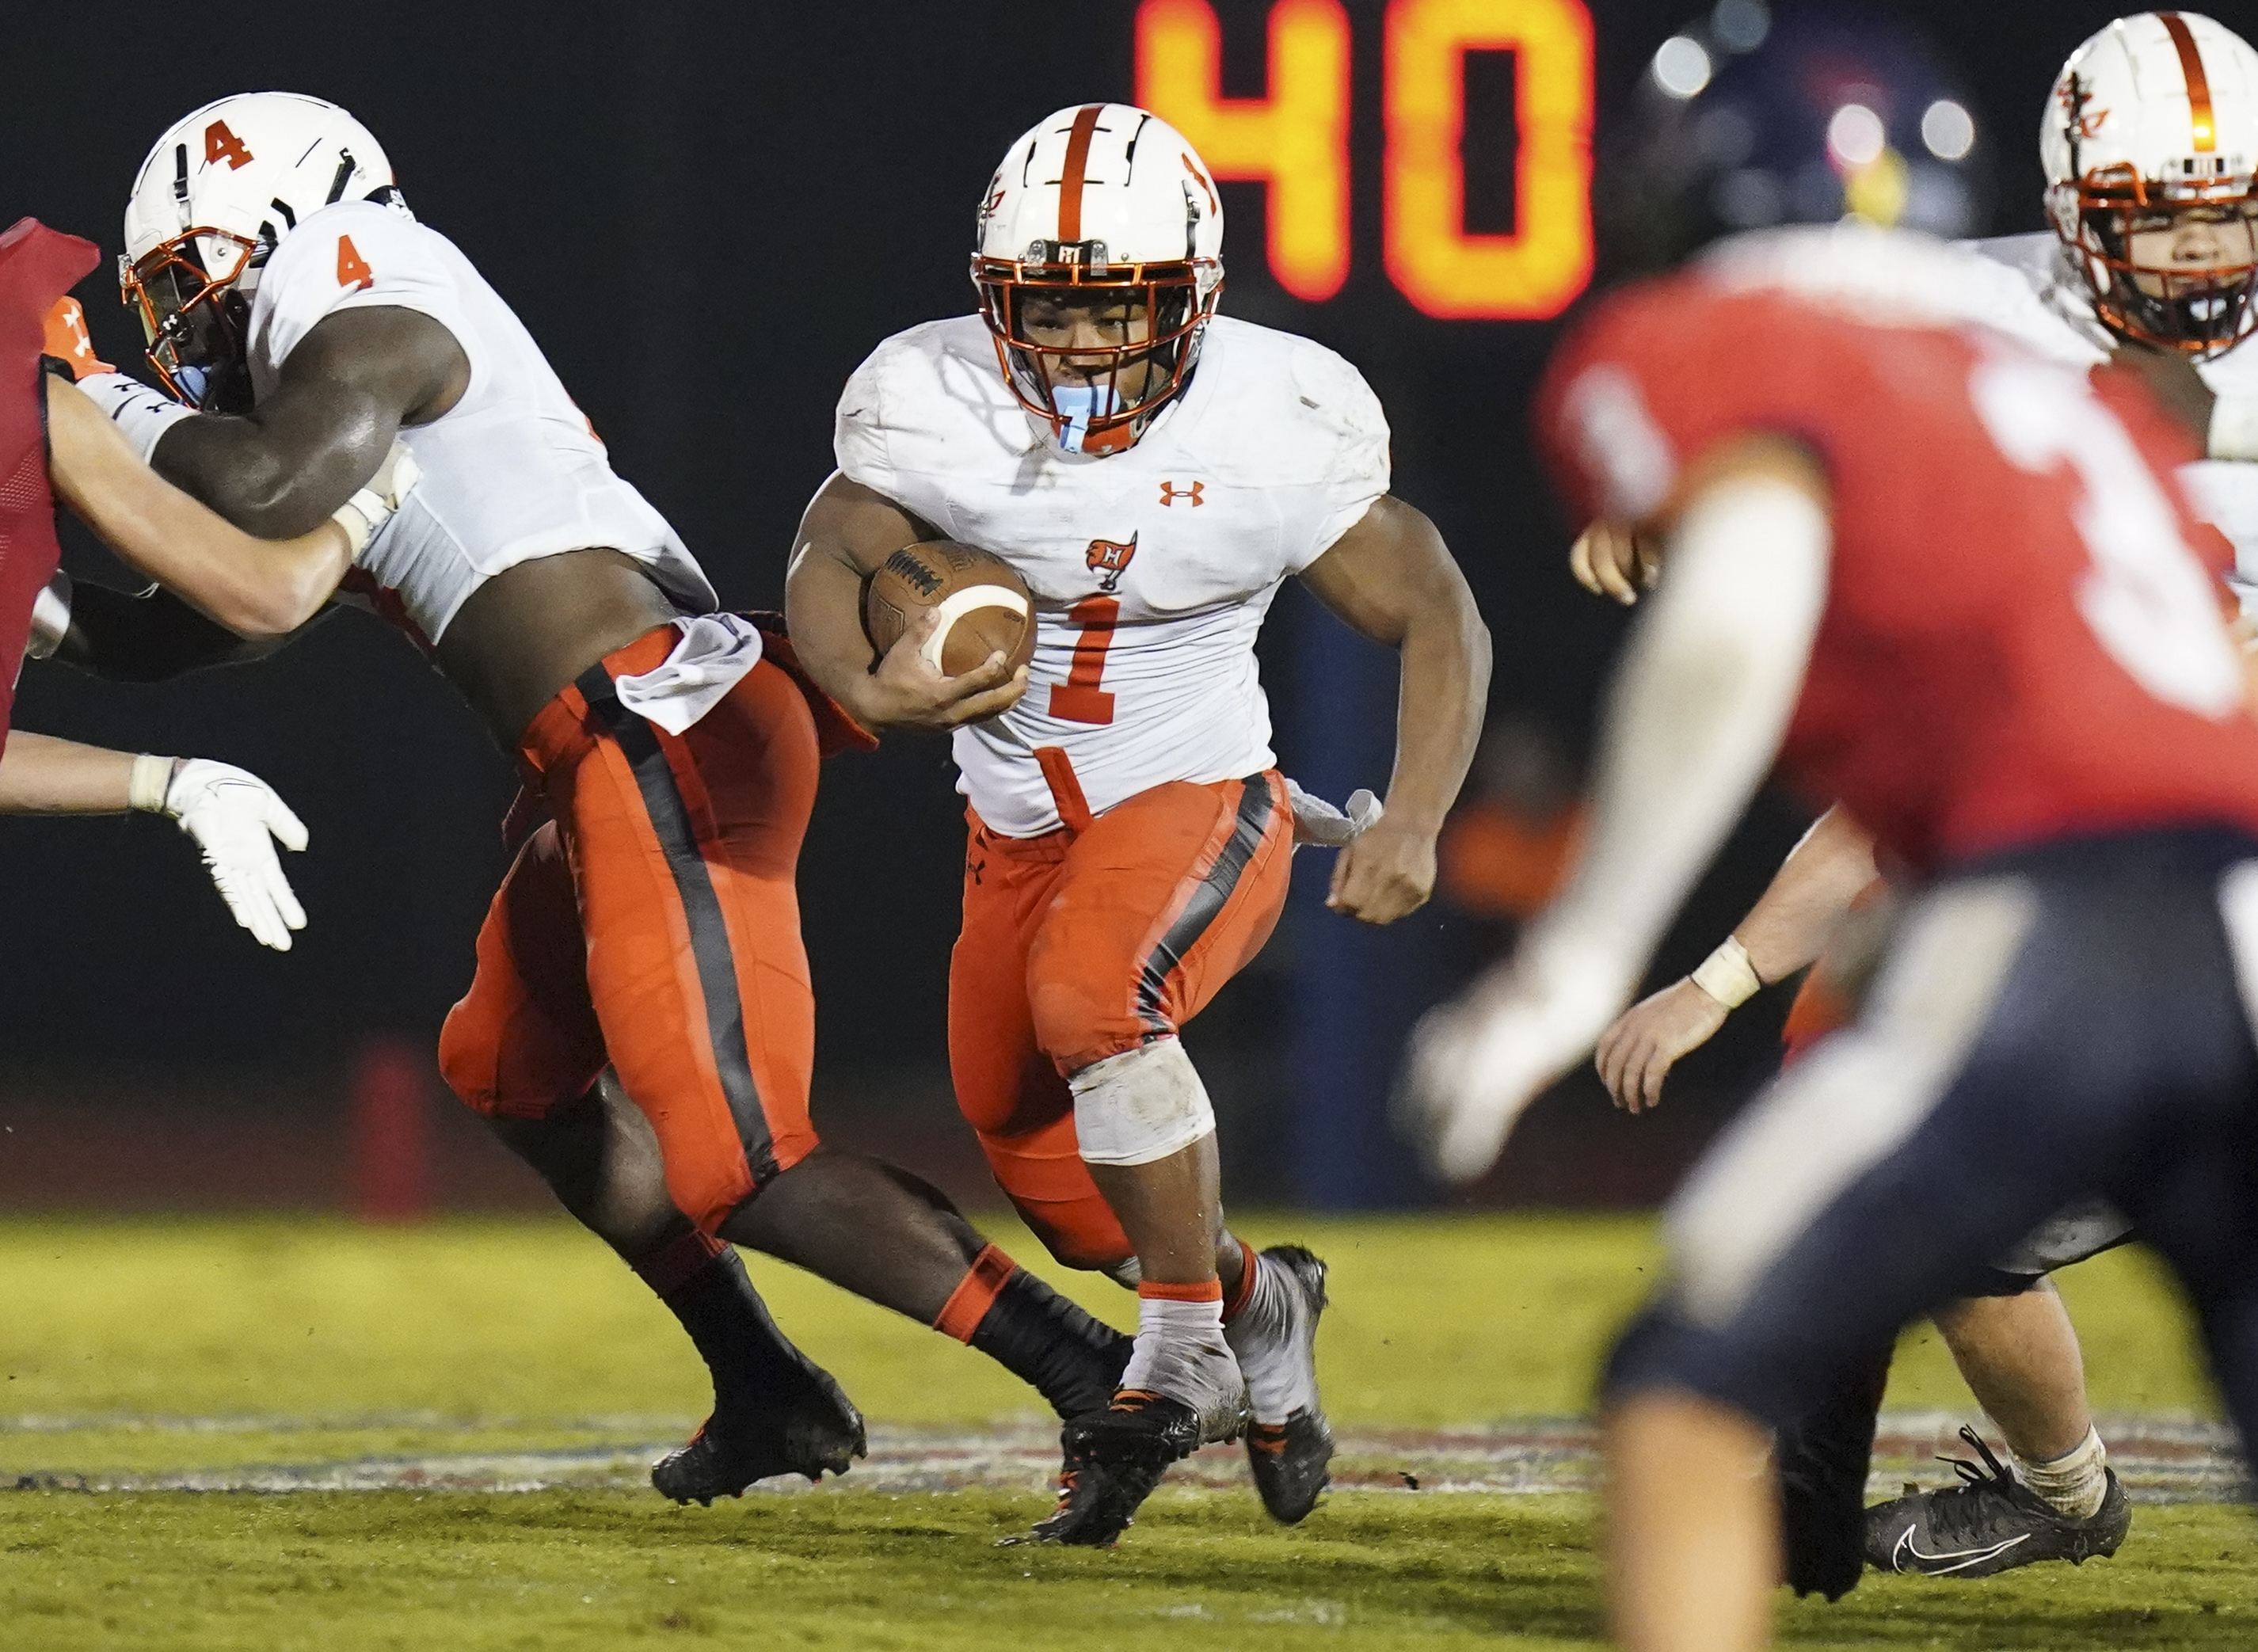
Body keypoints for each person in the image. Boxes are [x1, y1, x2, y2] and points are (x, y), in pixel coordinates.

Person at [68, 91, 1137, 1505]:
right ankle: (768, 1390)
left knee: (743, 1158)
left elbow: (261, 492)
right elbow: (219, 616)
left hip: (654, 725)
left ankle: (1106, 1379)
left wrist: (80, 394)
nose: (181, 331)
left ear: (283, 217)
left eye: (187, 283)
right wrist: (31, 608)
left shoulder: (366, 271)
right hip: (613, 746)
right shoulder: (331, 380)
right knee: (511, 1070)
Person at [1401, 12, 2258, 1649]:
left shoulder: (1735, 346)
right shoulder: (2035, 369)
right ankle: (2042, 1480)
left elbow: (1736, 619)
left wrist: (1575, 961)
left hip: (2065, 909)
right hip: (2225, 876)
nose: (2201, 251)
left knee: (1684, 1370)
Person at [783, 103, 1490, 1543]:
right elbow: (834, 538)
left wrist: (1414, 812)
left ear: (1198, 301)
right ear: (997, 298)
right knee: (1049, 1171)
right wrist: (865, 678)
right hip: (1015, 829)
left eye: (1123, 310)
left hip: (1198, 801)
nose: (1085, 345)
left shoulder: (1274, 423)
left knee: (1093, 994)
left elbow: (1435, 608)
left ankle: (1173, 1367)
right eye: (1048, 304)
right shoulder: (929, 400)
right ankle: (1253, 1303)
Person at [3, 217, 409, 950]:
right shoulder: (38, 404)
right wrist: (369, 501)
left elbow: (152, 636)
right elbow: (265, 598)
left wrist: (170, 783)